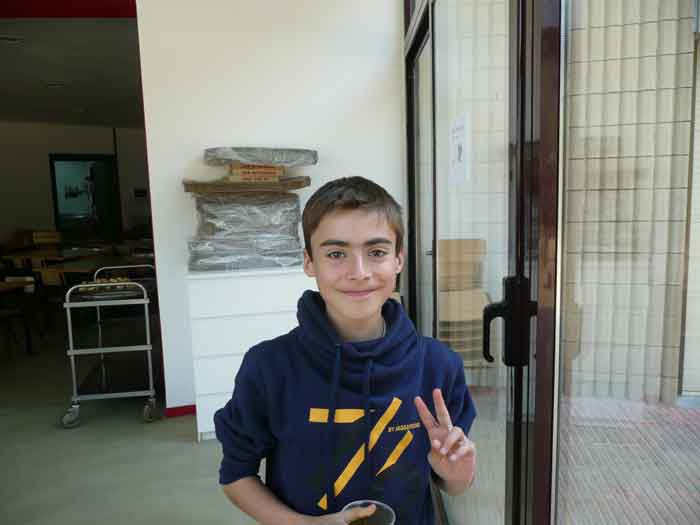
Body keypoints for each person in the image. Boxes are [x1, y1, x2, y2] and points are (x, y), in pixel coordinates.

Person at [214, 176, 476, 524]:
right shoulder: (268, 367)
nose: (359, 272)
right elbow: (236, 475)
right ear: (309, 262)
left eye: (376, 252)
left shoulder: (439, 365)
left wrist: (457, 473)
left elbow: (452, 483)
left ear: (398, 260)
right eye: (336, 254)